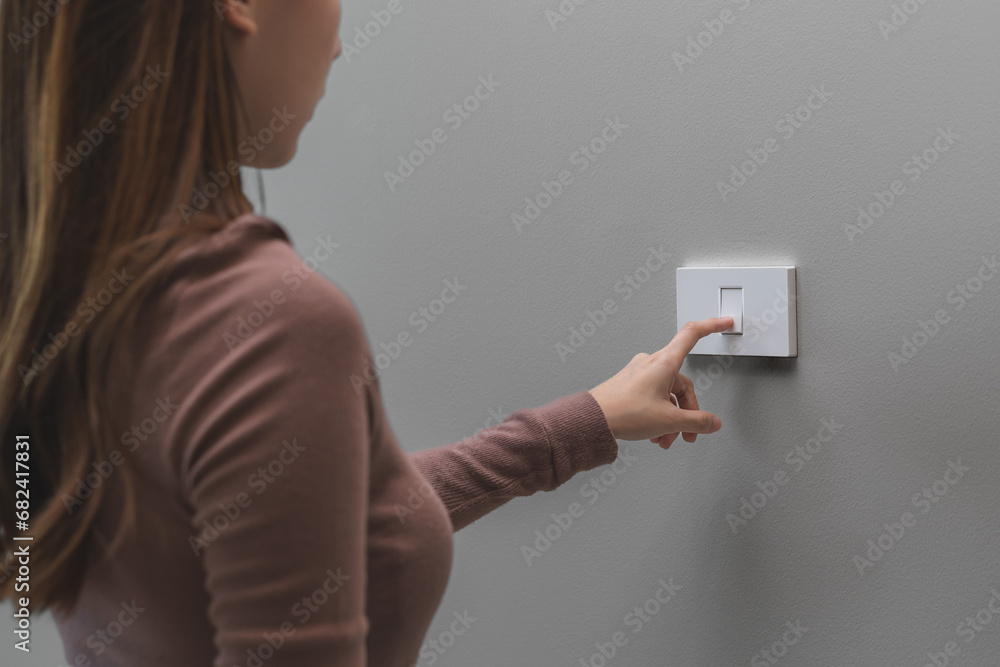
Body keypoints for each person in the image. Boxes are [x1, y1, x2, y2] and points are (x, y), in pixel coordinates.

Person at [0, 1, 733, 664]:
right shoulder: (269, 321)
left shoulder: (66, 287)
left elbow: (313, 524)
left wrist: (581, 424)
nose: (344, 43)